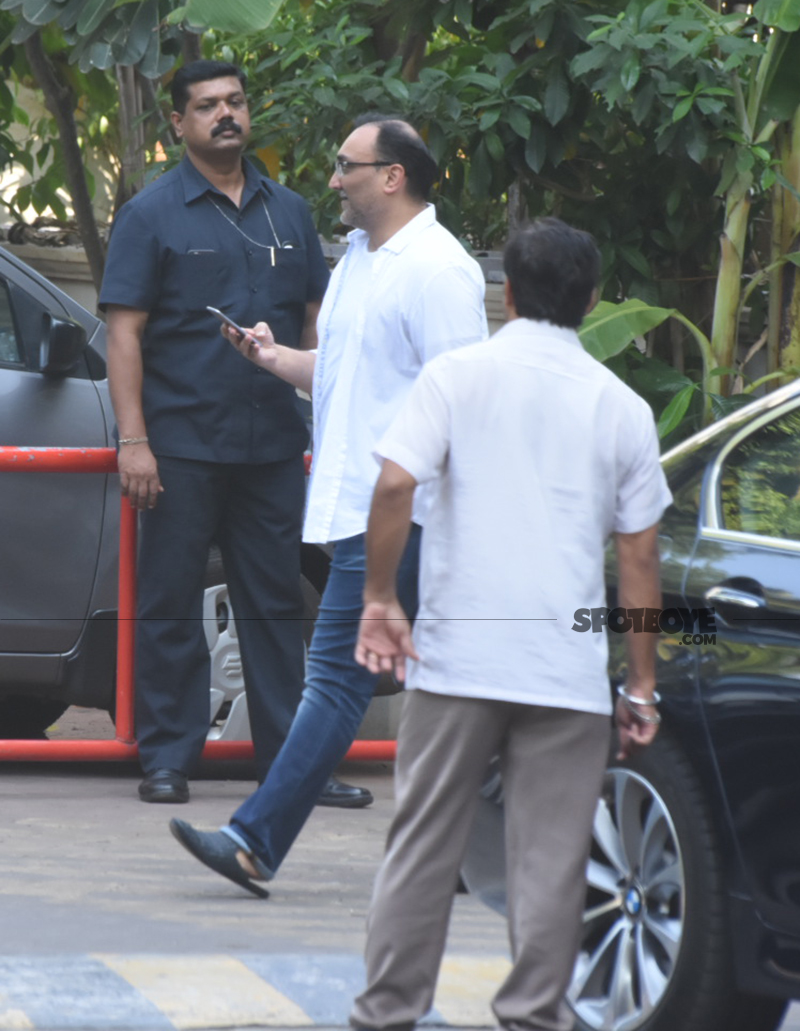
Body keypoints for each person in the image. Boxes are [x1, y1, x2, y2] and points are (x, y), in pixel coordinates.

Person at [348, 217, 672, 1031]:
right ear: (593, 299)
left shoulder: (457, 378)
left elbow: (393, 487)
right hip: (562, 673)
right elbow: (637, 559)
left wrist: (381, 597)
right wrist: (641, 681)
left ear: (508, 294)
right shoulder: (623, 408)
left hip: (458, 657)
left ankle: (386, 1013)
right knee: (552, 861)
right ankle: (533, 1016)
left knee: (423, 844)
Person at [168, 114, 488, 895]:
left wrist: (442, 523)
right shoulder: (354, 261)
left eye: (348, 165)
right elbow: (349, 379)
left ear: (394, 176)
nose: (334, 177)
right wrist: (277, 358)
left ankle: (253, 840)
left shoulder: (439, 271)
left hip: (409, 513)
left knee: (340, 680)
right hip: (357, 505)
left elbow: (467, 405)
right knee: (447, 686)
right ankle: (472, 853)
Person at [99, 60, 359, 808]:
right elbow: (125, 333)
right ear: (177, 125)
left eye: (235, 101)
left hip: (274, 445)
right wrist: (134, 440)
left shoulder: (292, 213)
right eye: (207, 105)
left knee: (277, 605)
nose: (226, 114)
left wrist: (324, 423)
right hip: (179, 444)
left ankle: (292, 764)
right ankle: (168, 758)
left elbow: (317, 326)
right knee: (171, 600)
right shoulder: (150, 215)